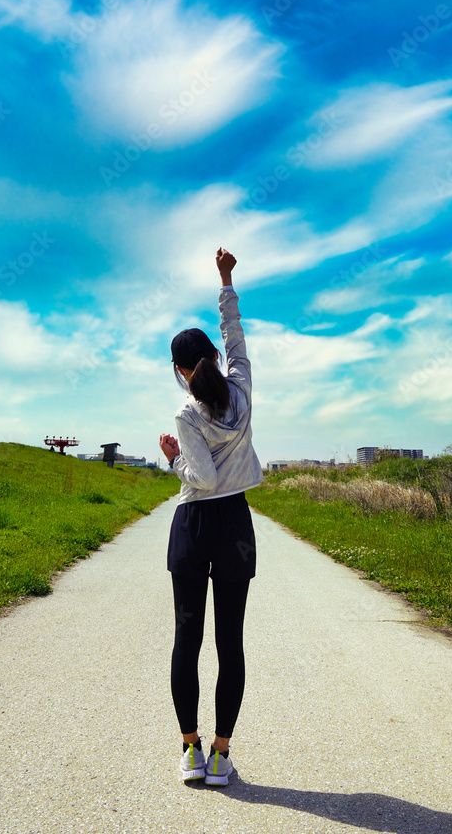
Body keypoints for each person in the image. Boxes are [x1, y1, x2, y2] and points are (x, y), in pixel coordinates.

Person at [159, 247, 263, 786]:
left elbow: (197, 478)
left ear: (181, 372)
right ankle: (222, 755)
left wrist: (173, 458)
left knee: (187, 639)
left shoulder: (187, 413)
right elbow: (235, 333)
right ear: (217, 359)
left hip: (194, 527)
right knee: (230, 643)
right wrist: (225, 279)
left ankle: (190, 750)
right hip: (235, 526)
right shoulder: (241, 387)